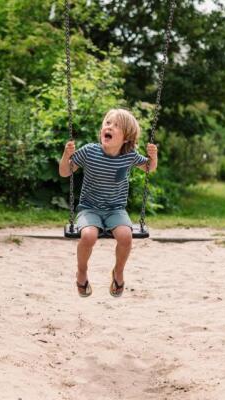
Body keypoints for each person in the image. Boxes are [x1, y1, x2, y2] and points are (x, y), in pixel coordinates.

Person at [59, 109, 158, 298]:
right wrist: (66, 154)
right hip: (89, 209)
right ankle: (81, 271)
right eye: (107, 123)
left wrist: (153, 156)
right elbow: (65, 172)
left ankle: (118, 271)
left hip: (116, 210)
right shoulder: (89, 151)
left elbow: (148, 168)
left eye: (116, 125)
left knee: (125, 237)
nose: (109, 127)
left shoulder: (129, 156)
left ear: (126, 138)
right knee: (88, 236)